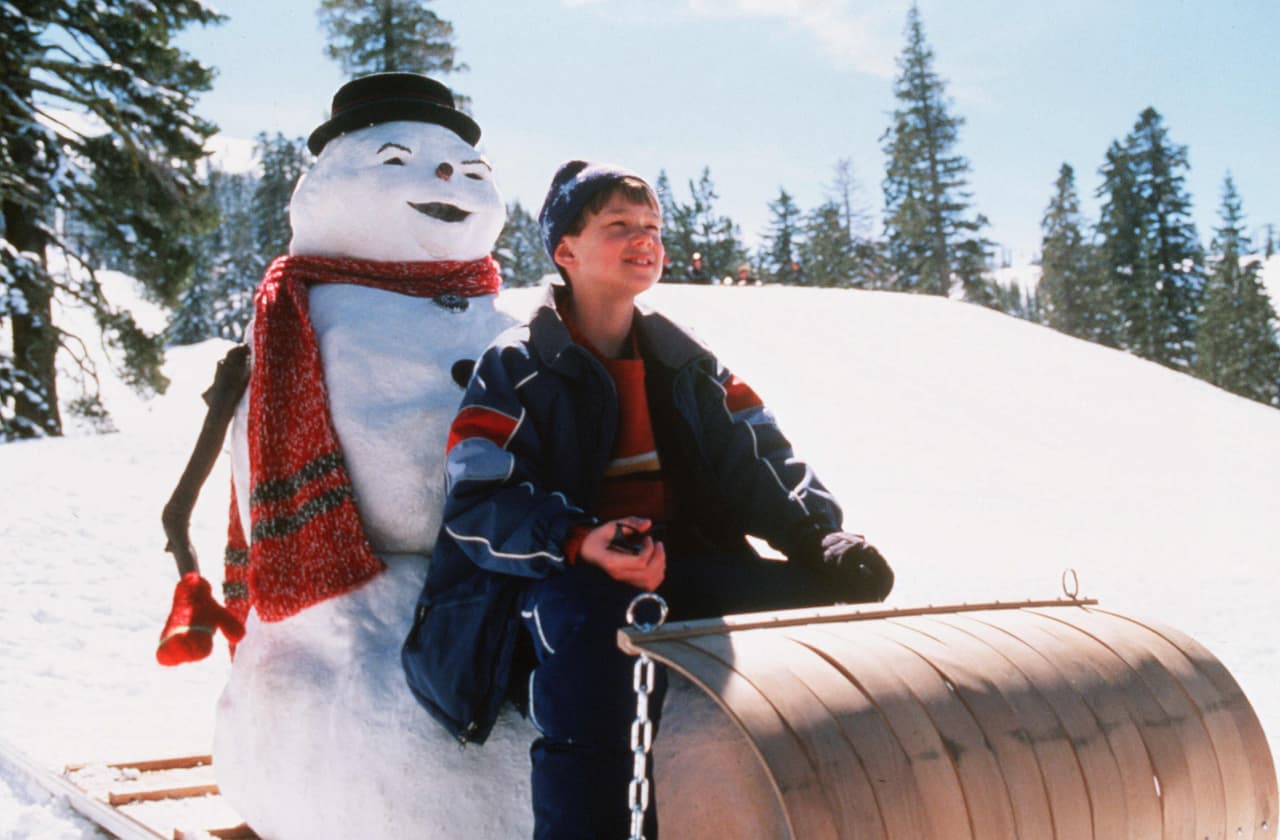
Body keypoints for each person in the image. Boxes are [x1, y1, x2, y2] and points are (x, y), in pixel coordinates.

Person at [412, 160, 893, 839]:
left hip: (677, 568)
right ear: (565, 250)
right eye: (619, 226)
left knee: (832, 602)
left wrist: (823, 539)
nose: (644, 240)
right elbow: (478, 500)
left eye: (652, 228)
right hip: (547, 585)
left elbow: (763, 463)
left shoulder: (687, 366)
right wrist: (580, 541)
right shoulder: (516, 366)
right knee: (598, 627)